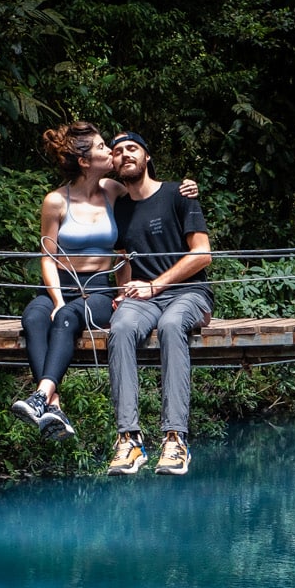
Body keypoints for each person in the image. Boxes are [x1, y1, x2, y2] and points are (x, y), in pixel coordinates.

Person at [11, 122, 201, 444]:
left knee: (70, 318)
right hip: (62, 284)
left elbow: (150, 195)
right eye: (103, 148)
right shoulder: (55, 201)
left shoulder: (114, 191)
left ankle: (42, 396)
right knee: (33, 316)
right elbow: (47, 255)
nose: (111, 154)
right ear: (85, 161)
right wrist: (56, 301)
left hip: (98, 289)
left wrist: (187, 188)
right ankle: (53, 403)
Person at [104, 131, 212, 477]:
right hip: (143, 296)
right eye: (118, 152)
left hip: (188, 293)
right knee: (119, 329)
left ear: (147, 156)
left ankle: (175, 439)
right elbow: (123, 260)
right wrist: (123, 293)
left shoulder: (178, 193)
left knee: (169, 326)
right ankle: (128, 440)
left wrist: (155, 285)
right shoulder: (120, 207)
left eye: (132, 148)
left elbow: (202, 254)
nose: (125, 155)